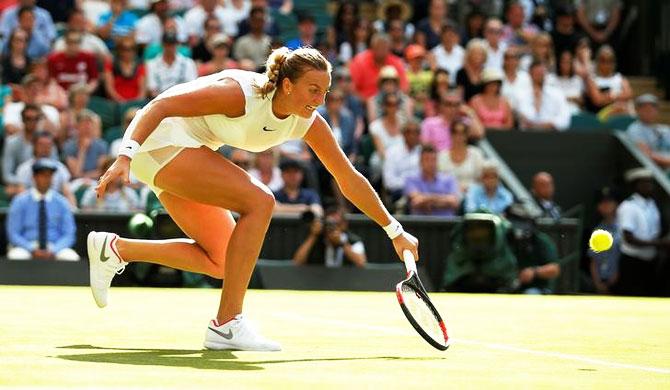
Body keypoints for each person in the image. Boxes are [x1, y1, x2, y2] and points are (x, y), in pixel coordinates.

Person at [91, 47, 418, 351]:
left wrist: (394, 230)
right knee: (260, 201)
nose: (320, 100)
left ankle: (115, 250)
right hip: (157, 142)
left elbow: (348, 178)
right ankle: (226, 324)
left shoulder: (308, 123)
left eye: (325, 91)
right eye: (313, 90)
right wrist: (125, 155)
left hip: (185, 154)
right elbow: (159, 106)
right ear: (287, 86)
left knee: (221, 260)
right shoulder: (241, 94)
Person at [6, 159, 79, 261]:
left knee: (70, 258)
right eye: (43, 175)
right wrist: (31, 249)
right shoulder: (19, 201)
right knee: (17, 256)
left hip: (54, 245)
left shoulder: (62, 202)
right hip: (27, 245)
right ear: (34, 177)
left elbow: (69, 234)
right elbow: (13, 233)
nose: (47, 179)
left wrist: (54, 249)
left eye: (49, 175)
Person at [616, 168, 666, 296]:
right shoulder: (628, 206)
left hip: (650, 261)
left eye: (650, 182)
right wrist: (659, 244)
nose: (649, 186)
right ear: (636, 185)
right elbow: (629, 238)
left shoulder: (652, 204)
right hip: (633, 262)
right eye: (645, 183)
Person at [14, 131, 76, 206]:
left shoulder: (60, 168)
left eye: (48, 145)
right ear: (34, 146)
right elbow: (21, 194)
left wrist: (73, 210)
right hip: (31, 207)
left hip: (54, 209)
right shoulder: (24, 168)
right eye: (41, 145)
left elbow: (68, 193)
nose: (45, 148)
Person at [292, 207, 367, 268]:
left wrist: (342, 243)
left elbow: (361, 263)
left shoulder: (353, 240)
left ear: (344, 225)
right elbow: (297, 262)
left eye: (337, 224)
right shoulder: (316, 238)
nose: (332, 228)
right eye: (329, 225)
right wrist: (313, 236)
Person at [404, 144, 461, 216]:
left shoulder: (449, 179)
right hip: (419, 224)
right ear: (420, 162)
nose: (430, 163)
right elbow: (416, 202)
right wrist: (443, 201)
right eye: (427, 159)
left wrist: (426, 199)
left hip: (447, 224)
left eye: (433, 159)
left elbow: (454, 202)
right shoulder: (411, 179)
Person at [349, 33, 408, 100]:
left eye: (384, 47)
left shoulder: (396, 63)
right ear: (372, 47)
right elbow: (352, 89)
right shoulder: (359, 61)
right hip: (363, 103)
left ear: (389, 48)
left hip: (391, 104)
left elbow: (404, 87)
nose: (381, 50)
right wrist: (367, 102)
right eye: (378, 47)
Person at [516, 61, 571, 131]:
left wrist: (548, 124)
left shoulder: (557, 93)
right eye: (537, 73)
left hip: (553, 134)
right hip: (528, 135)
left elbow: (564, 119)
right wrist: (537, 101)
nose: (540, 75)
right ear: (530, 74)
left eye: (542, 73)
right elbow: (525, 119)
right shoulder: (521, 94)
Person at [437, 119, 485, 193]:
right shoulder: (441, 155)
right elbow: (438, 180)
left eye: (462, 133)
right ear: (450, 134)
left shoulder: (476, 153)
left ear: (467, 135)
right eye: (455, 132)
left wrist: (469, 189)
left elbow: (481, 178)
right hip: (447, 195)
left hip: (472, 194)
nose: (458, 136)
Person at [588, 186, 620, 294]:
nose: (605, 205)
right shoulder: (597, 230)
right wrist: (597, 283)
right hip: (601, 281)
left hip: (620, 281)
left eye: (609, 201)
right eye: (602, 202)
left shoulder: (623, 228)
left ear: (616, 204)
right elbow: (594, 261)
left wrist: (614, 279)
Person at [146, 32, 198, 98]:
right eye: (167, 45)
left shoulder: (188, 63)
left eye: (172, 44)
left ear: (177, 45)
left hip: (183, 100)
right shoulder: (152, 64)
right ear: (162, 45)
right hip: (161, 102)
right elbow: (152, 89)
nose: (170, 48)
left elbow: (192, 87)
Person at [627, 94, 670, 171]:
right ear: (637, 111)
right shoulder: (634, 129)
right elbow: (646, 155)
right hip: (653, 170)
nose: (649, 110)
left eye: (653, 107)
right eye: (644, 108)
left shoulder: (665, 129)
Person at [383, 121, 422, 203]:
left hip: (422, 191)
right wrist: (410, 186)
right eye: (409, 132)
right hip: (400, 191)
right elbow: (389, 182)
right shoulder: (392, 152)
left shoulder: (423, 152)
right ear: (403, 134)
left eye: (416, 132)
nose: (412, 135)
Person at [103, 36, 147, 103]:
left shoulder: (140, 66)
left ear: (135, 51)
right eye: (124, 49)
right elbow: (109, 88)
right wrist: (121, 101)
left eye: (131, 49)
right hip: (115, 103)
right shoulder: (111, 64)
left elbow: (142, 91)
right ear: (119, 50)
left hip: (135, 104)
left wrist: (135, 103)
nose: (127, 52)